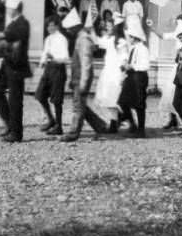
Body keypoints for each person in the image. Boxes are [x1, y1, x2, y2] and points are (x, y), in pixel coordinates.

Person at [63, 13, 109, 142]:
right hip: (77, 77)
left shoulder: (83, 40)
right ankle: (100, 125)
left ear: (76, 27)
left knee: (78, 106)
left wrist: (83, 82)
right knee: (81, 103)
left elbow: (86, 64)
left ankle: (73, 132)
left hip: (81, 77)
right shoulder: (80, 38)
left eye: (69, 28)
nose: (68, 31)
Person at [0, 2, 31, 143]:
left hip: (17, 66)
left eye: (9, 8)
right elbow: (6, 43)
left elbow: (20, 34)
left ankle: (16, 133)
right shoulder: (12, 23)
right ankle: (9, 124)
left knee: (15, 100)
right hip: (7, 65)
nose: (7, 10)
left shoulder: (23, 22)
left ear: (15, 9)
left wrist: (2, 34)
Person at [36, 18, 69, 135]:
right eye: (48, 26)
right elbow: (45, 53)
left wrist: (53, 57)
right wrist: (42, 62)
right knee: (40, 95)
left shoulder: (61, 39)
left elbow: (65, 57)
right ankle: (51, 119)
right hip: (48, 69)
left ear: (57, 26)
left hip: (58, 69)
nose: (49, 28)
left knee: (57, 99)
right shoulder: (48, 39)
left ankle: (59, 126)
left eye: (51, 25)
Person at [118, 17, 150, 138]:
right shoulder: (133, 49)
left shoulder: (143, 49)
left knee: (139, 104)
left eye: (130, 37)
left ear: (135, 37)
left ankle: (141, 130)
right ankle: (132, 123)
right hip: (131, 77)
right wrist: (125, 66)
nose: (129, 39)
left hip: (139, 77)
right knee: (123, 101)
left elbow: (145, 66)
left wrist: (131, 66)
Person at [94, 18, 126, 132]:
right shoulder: (108, 39)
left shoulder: (120, 40)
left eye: (110, 26)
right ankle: (117, 119)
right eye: (107, 26)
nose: (108, 28)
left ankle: (115, 122)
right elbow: (98, 41)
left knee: (113, 98)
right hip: (108, 71)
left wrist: (123, 72)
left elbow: (124, 56)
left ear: (115, 26)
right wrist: (91, 29)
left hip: (115, 71)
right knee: (106, 97)